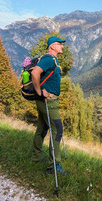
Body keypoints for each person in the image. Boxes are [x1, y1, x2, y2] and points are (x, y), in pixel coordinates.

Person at [31, 36, 69, 175]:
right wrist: (39, 91)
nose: (62, 47)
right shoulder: (48, 59)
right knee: (57, 129)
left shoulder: (52, 60)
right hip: (48, 101)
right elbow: (35, 73)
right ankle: (54, 166)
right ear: (52, 46)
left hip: (47, 101)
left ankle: (36, 156)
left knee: (42, 127)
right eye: (59, 44)